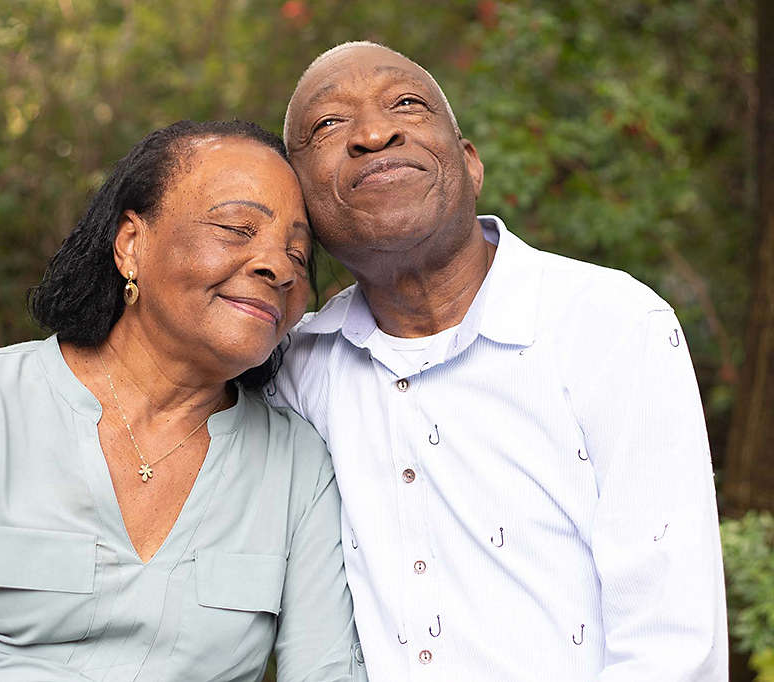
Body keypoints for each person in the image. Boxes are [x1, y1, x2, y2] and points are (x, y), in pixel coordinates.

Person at [0, 120, 366, 682]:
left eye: (299, 255)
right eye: (236, 227)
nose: (279, 267)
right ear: (132, 245)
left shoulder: (297, 466)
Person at [271, 42, 727, 681]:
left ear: (469, 164)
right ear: (303, 207)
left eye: (406, 104)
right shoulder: (294, 372)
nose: (375, 133)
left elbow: (671, 648)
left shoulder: (611, 326)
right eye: (328, 125)